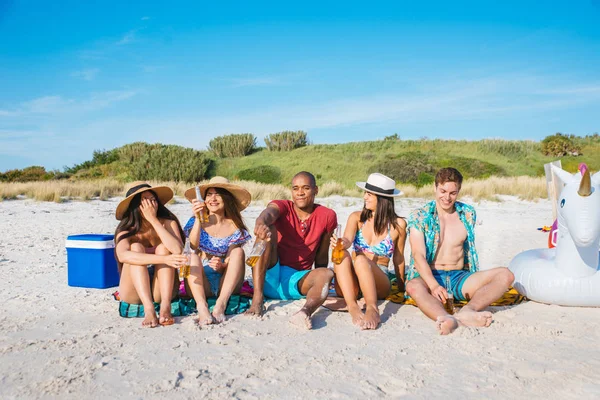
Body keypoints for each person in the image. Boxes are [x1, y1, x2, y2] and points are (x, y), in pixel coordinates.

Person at [405, 167, 515, 335]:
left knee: (506, 275)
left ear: (458, 191)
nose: (447, 198)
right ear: (434, 188)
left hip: (459, 276)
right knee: (412, 286)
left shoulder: (467, 214)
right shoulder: (420, 216)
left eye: (452, 193)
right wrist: (434, 286)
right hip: (431, 275)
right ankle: (445, 317)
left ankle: (468, 310)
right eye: (442, 191)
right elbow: (418, 255)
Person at [246, 171, 338, 329]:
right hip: (269, 276)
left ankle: (305, 312)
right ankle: (257, 299)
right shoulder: (283, 206)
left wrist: (322, 282)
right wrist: (260, 222)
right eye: (295, 188)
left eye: (306, 188)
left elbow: (322, 253)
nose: (300, 193)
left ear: (316, 190)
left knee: (327, 273)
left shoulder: (327, 216)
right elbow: (269, 213)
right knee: (268, 230)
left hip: (298, 282)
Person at [330, 173, 407, 330]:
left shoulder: (398, 225)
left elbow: (398, 258)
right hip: (352, 284)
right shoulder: (357, 218)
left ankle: (372, 308)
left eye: (369, 194)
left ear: (381, 198)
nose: (364, 197)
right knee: (343, 254)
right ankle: (352, 305)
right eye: (365, 193)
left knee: (360, 259)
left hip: (379, 283)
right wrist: (342, 243)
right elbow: (348, 239)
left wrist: (401, 288)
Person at [114, 182, 187, 328]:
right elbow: (123, 256)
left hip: (161, 289)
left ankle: (165, 307)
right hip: (133, 290)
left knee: (163, 248)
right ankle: (149, 309)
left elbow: (177, 250)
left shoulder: (168, 223)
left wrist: (154, 220)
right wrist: (163, 259)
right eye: (145, 200)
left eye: (153, 199)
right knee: (135, 247)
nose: (150, 204)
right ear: (135, 205)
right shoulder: (126, 229)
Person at [182, 177, 252, 325]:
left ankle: (221, 304)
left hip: (226, 282)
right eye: (209, 195)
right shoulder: (195, 221)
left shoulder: (235, 226)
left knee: (238, 252)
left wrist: (222, 266)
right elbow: (193, 246)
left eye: (218, 194)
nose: (213, 199)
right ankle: (202, 306)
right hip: (200, 281)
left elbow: (232, 257)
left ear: (226, 198)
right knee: (192, 256)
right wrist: (198, 220)